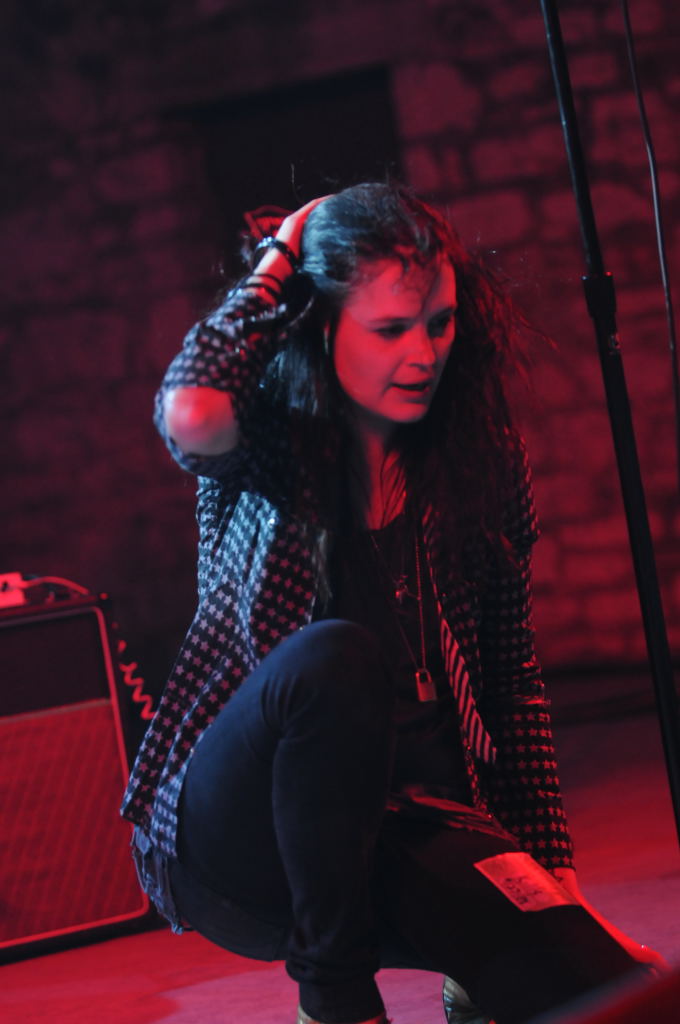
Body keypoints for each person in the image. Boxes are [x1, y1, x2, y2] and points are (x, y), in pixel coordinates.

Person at [121, 183, 665, 1024]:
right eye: (389, 329)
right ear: (323, 327)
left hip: (404, 818)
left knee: (615, 992)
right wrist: (278, 265)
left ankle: (477, 969)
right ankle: (337, 1001)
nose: (423, 353)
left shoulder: (481, 461)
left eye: (439, 324)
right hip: (242, 840)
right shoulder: (271, 437)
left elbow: (511, 679)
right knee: (334, 659)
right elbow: (189, 412)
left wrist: (556, 887)